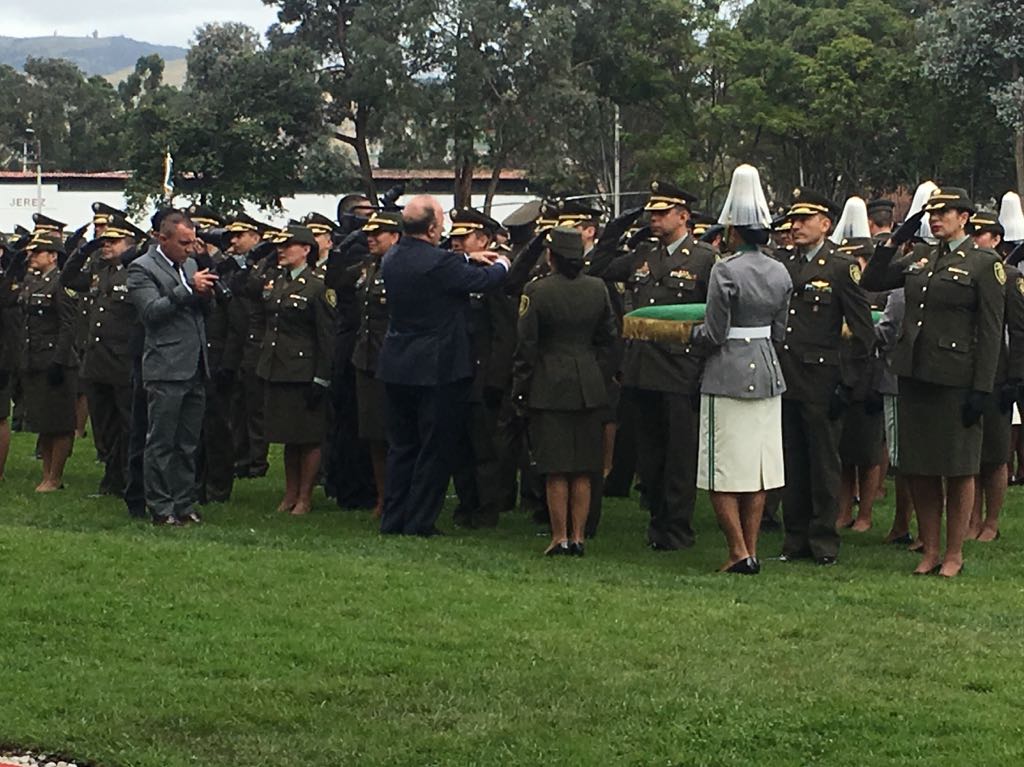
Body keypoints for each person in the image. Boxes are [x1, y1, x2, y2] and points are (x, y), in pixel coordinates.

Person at [861, 187, 1004, 577]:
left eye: (945, 212)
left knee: (958, 469)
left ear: (964, 218)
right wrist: (894, 240)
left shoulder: (982, 262)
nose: (936, 218)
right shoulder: (921, 256)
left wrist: (982, 387)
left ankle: (954, 552)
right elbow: (872, 279)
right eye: (932, 213)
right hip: (915, 371)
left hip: (956, 377)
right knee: (920, 467)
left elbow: (991, 330)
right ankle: (930, 548)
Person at [377, 195, 510, 537]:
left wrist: (465, 256)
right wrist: (503, 264)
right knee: (434, 449)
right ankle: (420, 521)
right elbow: (485, 281)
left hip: (397, 363)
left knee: (402, 446)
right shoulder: (440, 264)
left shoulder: (392, 257)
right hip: (436, 367)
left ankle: (393, 518)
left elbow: (436, 263)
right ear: (434, 228)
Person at [691, 165, 792, 574]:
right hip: (767, 368)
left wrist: (688, 336)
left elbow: (714, 332)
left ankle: (737, 550)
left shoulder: (725, 270)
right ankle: (751, 547)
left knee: (721, 469)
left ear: (732, 231)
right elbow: (782, 330)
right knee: (759, 469)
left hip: (728, 370)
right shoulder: (781, 271)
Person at [775, 188, 876, 566]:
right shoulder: (785, 263)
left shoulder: (840, 265)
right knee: (793, 461)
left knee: (823, 462)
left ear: (825, 224)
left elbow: (863, 332)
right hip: (789, 375)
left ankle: (823, 540)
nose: (796, 226)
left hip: (823, 378)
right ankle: (794, 537)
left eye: (804, 220)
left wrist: (848, 382)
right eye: (793, 220)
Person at [620, 181, 717, 551]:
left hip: (681, 369)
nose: (654, 220)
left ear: (684, 216)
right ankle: (657, 522)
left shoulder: (704, 258)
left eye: (661, 214)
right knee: (651, 455)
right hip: (643, 366)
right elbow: (598, 265)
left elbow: (714, 315)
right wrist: (624, 224)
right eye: (651, 214)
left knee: (679, 455)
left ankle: (677, 526)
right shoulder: (644, 254)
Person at [512, 226, 618, 555]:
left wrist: (520, 389)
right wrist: (595, 371)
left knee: (556, 467)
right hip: (588, 383)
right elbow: (609, 337)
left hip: (549, 384)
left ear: (551, 256)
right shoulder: (598, 288)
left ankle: (559, 536)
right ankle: (579, 536)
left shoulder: (537, 291)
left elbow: (526, 346)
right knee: (584, 467)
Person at [127, 212, 217, 526]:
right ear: (161, 239)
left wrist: (206, 296)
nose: (190, 249)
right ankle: (160, 506)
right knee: (161, 441)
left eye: (193, 242)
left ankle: (184, 502)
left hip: (194, 365)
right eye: (183, 243)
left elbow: (202, 314)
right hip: (165, 367)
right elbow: (151, 312)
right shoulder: (142, 268)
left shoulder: (191, 265)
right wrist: (188, 290)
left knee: (188, 442)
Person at [59, 215, 144, 497]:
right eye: (105, 240)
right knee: (104, 426)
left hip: (122, 361)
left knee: (128, 424)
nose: (106, 245)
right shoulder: (100, 270)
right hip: (97, 360)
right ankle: (111, 479)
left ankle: (129, 480)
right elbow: (68, 278)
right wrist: (85, 248)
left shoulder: (137, 271)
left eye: (113, 241)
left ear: (130, 243)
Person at [255, 225, 336, 516]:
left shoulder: (317, 285)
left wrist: (321, 377)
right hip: (277, 367)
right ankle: (289, 493)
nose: (281, 249)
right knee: (288, 436)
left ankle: (305, 497)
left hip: (304, 370)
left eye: (288, 245)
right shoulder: (276, 280)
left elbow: (327, 337)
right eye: (279, 245)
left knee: (308, 437)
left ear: (306, 249)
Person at [965, 211, 1024, 542]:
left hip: (999, 375)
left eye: (981, 234)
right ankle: (970, 517)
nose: (975, 240)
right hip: (967, 370)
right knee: (969, 454)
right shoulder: (966, 273)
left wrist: (1016, 377)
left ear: (997, 239)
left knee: (996, 454)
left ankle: (991, 521)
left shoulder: (1011, 277)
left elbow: (1019, 330)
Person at [16, 231, 77, 492]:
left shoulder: (61, 283)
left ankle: (55, 476)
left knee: (60, 422)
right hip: (34, 357)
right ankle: (46, 474)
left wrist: (59, 360)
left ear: (53, 255)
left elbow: (68, 324)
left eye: (37, 251)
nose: (31, 256)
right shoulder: (32, 282)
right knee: (43, 421)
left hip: (56, 361)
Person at [352, 211, 402, 517]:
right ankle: (383, 497)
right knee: (374, 434)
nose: (370, 239)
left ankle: (397, 498)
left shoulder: (402, 268)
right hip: (367, 358)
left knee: (396, 436)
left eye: (377, 234)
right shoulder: (369, 267)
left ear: (396, 237)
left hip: (393, 359)